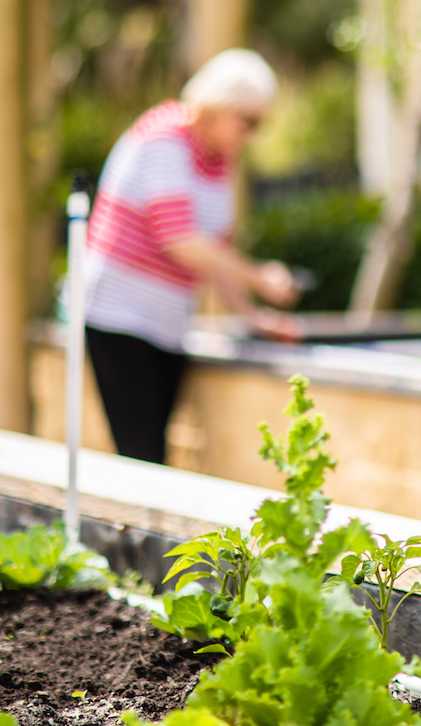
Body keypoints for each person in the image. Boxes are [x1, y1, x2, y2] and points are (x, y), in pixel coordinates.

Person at [83, 47, 303, 465]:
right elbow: (180, 241)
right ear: (219, 105)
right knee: (141, 456)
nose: (252, 135)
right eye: (249, 122)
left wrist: (253, 316)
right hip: (121, 318)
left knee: (155, 457)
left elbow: (212, 254)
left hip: (167, 324)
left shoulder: (219, 160)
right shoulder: (164, 139)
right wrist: (259, 277)